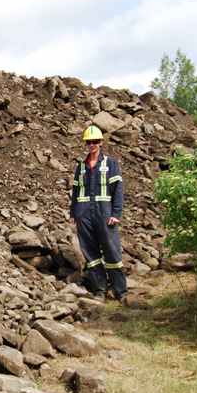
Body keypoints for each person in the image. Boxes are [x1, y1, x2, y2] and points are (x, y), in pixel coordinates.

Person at [69, 124, 127, 302]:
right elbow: (76, 191)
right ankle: (100, 289)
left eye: (95, 141)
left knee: (112, 251)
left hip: (105, 214)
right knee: (90, 254)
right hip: (84, 215)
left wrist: (116, 213)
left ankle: (120, 291)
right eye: (89, 142)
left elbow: (118, 190)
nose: (92, 145)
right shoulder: (81, 166)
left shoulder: (111, 164)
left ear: (101, 142)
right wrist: (75, 214)